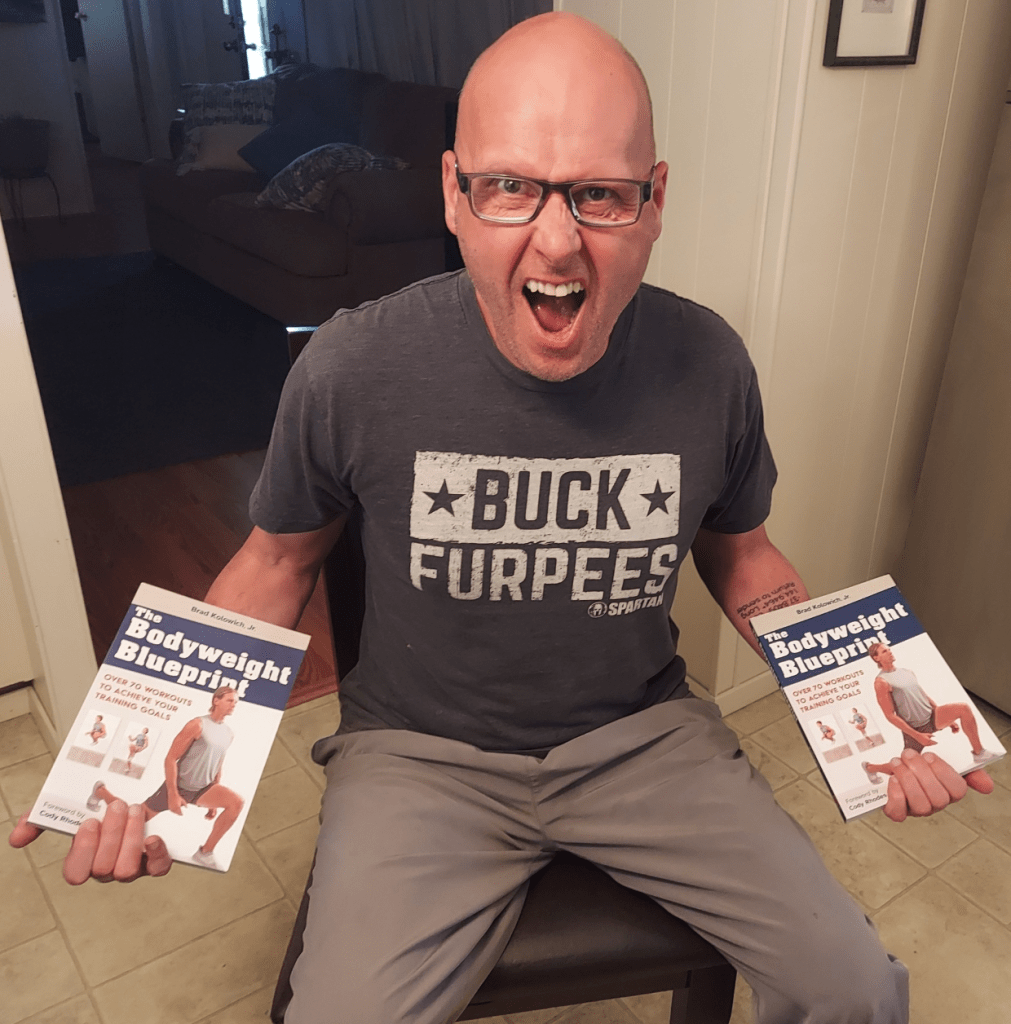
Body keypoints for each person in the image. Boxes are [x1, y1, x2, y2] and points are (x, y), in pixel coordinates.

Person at [9, 12, 994, 1023]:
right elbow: (272, 561)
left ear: (654, 201)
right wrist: (143, 758)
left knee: (859, 991)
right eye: (511, 186)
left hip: (644, 741)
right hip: (421, 760)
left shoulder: (710, 367)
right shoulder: (354, 365)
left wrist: (873, 711)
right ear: (454, 194)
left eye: (601, 194)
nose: (556, 239)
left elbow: (744, 555)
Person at [81, 687, 243, 869]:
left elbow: (217, 764)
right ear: (216, 701)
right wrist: (173, 794)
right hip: (178, 786)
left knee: (236, 802)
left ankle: (204, 853)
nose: (234, 705)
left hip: (204, 789)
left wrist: (214, 799)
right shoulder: (197, 725)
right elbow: (171, 758)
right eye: (230, 700)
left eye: (236, 702)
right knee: (131, 821)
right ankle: (101, 791)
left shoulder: (229, 733)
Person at [860, 642, 995, 786]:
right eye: (885, 651)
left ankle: (979, 753)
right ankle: (870, 767)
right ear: (876, 658)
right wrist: (917, 735)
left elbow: (923, 695)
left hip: (932, 716)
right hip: (915, 728)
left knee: (963, 708)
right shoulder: (881, 682)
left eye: (889, 649)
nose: (890, 652)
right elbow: (890, 715)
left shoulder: (907, 672)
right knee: (904, 769)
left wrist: (945, 717)